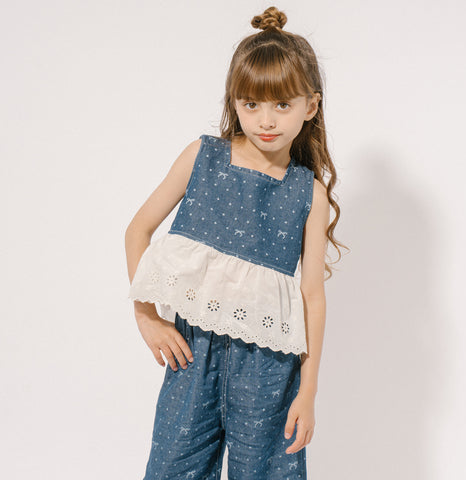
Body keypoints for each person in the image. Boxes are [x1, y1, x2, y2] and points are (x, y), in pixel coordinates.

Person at [125, 5, 346, 479]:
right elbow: (138, 230)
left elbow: (312, 296)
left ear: (310, 106)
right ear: (234, 102)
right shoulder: (201, 158)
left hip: (270, 368)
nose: (266, 119)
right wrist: (146, 316)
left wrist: (308, 391)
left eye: (282, 105)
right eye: (251, 104)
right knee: (171, 469)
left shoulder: (308, 193)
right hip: (192, 357)